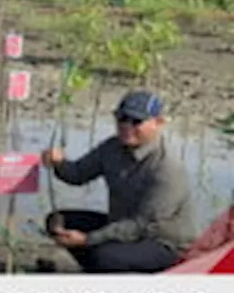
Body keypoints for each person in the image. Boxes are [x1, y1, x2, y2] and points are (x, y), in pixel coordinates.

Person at [41, 90, 194, 273]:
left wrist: (87, 239)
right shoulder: (112, 148)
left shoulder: (167, 169)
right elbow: (78, 174)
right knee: (57, 221)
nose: (127, 126)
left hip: (162, 242)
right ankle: (98, 270)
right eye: (122, 118)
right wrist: (59, 163)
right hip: (121, 224)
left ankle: (122, 276)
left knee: (104, 257)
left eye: (136, 121)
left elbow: (140, 225)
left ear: (158, 123)